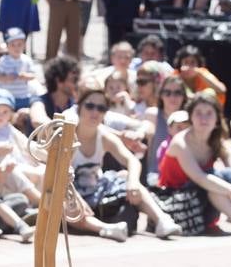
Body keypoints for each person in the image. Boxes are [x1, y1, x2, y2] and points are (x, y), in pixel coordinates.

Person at [70, 83, 180, 239]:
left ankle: (162, 220)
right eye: (90, 106)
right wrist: (76, 199)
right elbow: (59, 177)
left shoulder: (104, 135)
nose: (95, 112)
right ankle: (107, 229)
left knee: (126, 177)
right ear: (79, 107)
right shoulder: (68, 135)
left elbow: (132, 160)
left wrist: (133, 182)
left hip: (97, 189)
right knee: (63, 201)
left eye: (101, 108)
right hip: (71, 191)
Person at [158, 93, 231, 234]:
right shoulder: (180, 142)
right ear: (191, 117)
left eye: (209, 113)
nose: (204, 118)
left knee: (229, 175)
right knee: (213, 178)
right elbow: (200, 178)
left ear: (217, 119)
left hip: (203, 204)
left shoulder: (220, 142)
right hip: (177, 205)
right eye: (198, 113)